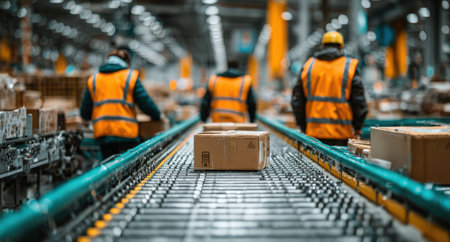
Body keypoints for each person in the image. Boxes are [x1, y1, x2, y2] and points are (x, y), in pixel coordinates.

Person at [80, 47, 161, 159]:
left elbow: (85, 112)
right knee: (128, 172)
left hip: (103, 134)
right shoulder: (129, 76)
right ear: (126, 62)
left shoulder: (94, 79)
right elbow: (145, 102)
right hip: (126, 133)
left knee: (108, 169)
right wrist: (157, 116)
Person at [291, 31, 368, 146]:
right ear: (340, 48)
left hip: (313, 134)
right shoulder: (349, 66)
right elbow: (359, 101)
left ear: (322, 46)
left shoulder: (309, 66)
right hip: (342, 135)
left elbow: (297, 100)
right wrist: (357, 128)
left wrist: (302, 126)